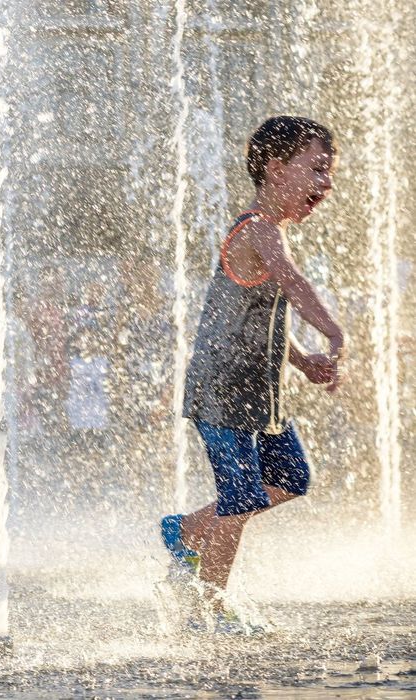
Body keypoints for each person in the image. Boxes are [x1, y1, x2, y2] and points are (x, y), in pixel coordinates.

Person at [163, 116, 344, 633]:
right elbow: (293, 284)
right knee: (239, 499)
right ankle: (211, 610)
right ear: (275, 169)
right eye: (317, 170)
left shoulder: (273, 232)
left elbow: (254, 319)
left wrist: (302, 358)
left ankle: (185, 530)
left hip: (257, 395)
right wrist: (333, 330)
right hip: (221, 392)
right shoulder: (257, 230)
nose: (325, 185)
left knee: (291, 478)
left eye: (328, 174)